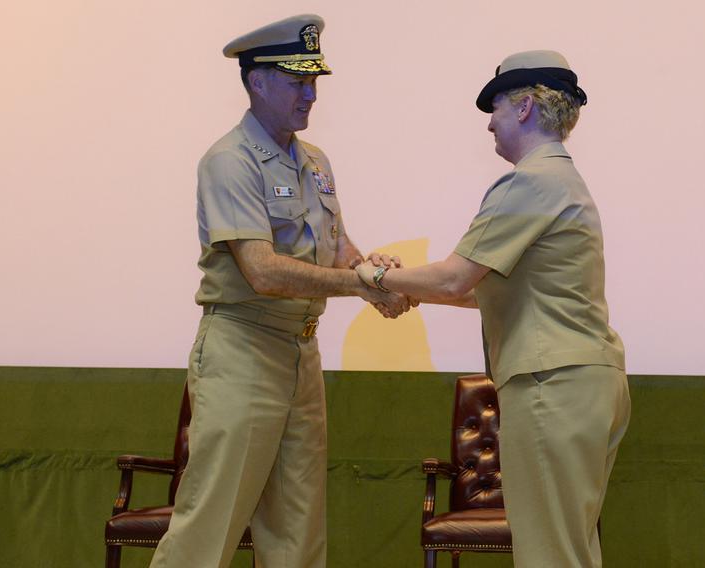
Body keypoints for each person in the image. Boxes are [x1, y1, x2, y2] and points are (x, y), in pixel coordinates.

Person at [150, 15, 408, 568]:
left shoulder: (316, 162)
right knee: (207, 528)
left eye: (315, 81)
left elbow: (338, 250)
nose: (310, 94)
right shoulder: (229, 161)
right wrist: (362, 286)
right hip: (242, 352)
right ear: (257, 82)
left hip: (300, 356)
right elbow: (262, 271)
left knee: (297, 534)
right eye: (297, 81)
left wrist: (376, 273)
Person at [354, 50, 630, 567]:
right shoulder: (561, 181)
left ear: (525, 107)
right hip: (581, 381)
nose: (490, 122)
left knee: (550, 553)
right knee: (570, 547)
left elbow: (456, 275)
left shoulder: (531, 181)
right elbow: (476, 290)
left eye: (497, 106)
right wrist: (408, 290)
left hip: (553, 383)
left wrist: (372, 276)